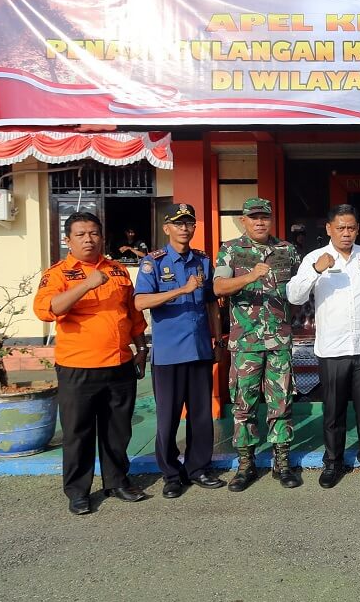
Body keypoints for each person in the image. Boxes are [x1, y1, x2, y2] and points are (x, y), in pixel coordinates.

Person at [33, 212, 148, 515]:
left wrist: (141, 349)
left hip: (119, 363)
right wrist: (86, 284)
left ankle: (117, 482)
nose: (89, 239)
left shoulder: (118, 270)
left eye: (94, 233)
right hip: (78, 367)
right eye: (81, 234)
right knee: (78, 433)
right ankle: (78, 492)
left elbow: (133, 315)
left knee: (118, 430)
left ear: (102, 237)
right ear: (67, 240)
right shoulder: (58, 273)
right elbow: (46, 310)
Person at [287, 204, 360, 488]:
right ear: (329, 229)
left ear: (358, 229)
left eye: (351, 228)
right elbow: (295, 296)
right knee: (333, 411)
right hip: (332, 350)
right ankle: (333, 462)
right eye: (340, 228)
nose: (346, 233)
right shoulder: (315, 258)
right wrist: (315, 270)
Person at [133, 203, 226, 499]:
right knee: (168, 418)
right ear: (167, 228)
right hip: (169, 354)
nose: (184, 228)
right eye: (178, 223)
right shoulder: (153, 262)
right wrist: (180, 290)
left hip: (199, 349)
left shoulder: (202, 260)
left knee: (201, 415)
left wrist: (218, 339)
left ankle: (198, 468)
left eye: (189, 223)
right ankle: (171, 474)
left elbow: (211, 303)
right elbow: (140, 302)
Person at [214, 198, 301, 491]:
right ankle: (245, 464)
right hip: (245, 343)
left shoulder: (287, 250)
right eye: (254, 217)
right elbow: (218, 287)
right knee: (244, 404)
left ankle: (282, 462)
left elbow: (299, 289)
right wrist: (251, 276)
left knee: (281, 402)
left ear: (272, 219)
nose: (260, 222)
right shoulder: (230, 250)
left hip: (279, 341)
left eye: (264, 217)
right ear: (244, 220)